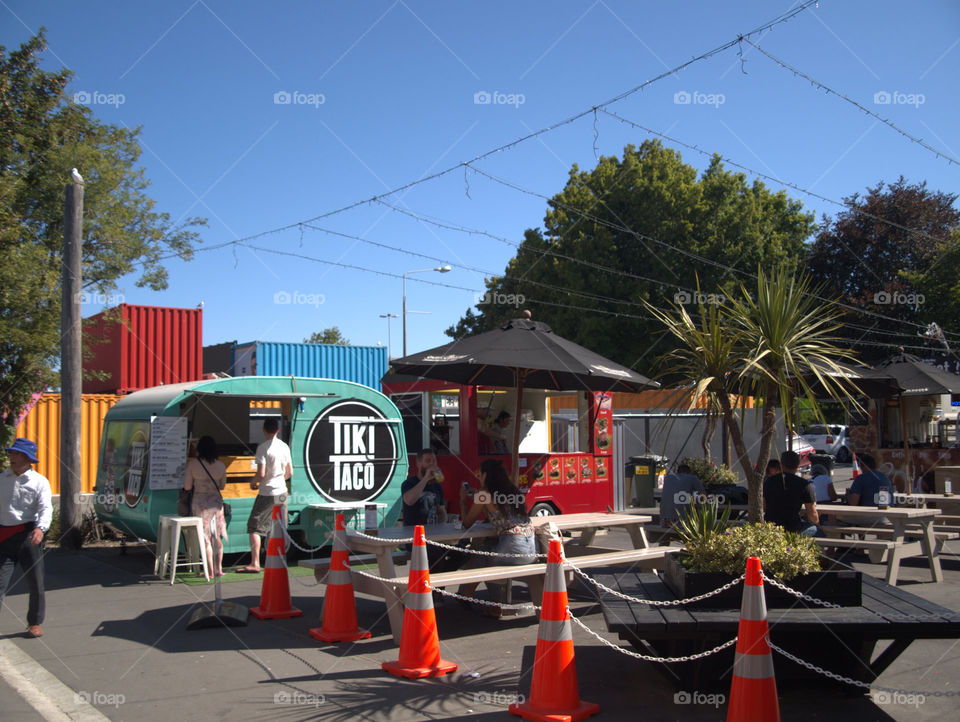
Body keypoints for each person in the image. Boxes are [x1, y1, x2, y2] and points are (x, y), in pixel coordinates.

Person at [457, 459, 537, 614]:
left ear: (485, 475)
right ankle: (474, 595)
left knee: (484, 555)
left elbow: (467, 523)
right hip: (532, 547)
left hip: (514, 545)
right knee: (488, 550)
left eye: (480, 475)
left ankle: (484, 600)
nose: (479, 478)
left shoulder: (485, 494)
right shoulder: (514, 491)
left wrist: (462, 500)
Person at [0, 438, 52, 638]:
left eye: (15, 454)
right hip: (4, 535)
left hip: (28, 536)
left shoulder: (39, 482)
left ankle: (35, 622)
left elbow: (46, 508)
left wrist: (41, 528)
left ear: (26, 458)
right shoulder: (2, 479)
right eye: (11, 453)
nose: (11, 457)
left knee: (35, 582)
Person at [240, 418, 292, 573]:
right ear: (277, 430)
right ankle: (277, 560)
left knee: (254, 526)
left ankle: (255, 563)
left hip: (267, 492)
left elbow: (261, 474)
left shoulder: (263, 448)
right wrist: (278, 481)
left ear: (264, 430)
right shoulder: (284, 447)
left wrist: (253, 482)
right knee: (278, 526)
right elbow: (290, 472)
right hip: (282, 490)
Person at [401, 449, 460, 572]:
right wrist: (425, 480)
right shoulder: (409, 483)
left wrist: (443, 527)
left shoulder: (437, 486)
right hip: (414, 538)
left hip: (434, 537)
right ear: (418, 464)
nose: (432, 464)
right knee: (437, 555)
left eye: (434, 461)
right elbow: (409, 500)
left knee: (461, 553)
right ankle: (435, 588)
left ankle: (438, 584)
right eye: (428, 461)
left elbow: (441, 511)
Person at [183, 436, 228, 577]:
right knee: (217, 536)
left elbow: (187, 486)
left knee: (205, 538)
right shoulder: (221, 466)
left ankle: (209, 571)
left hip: (200, 503)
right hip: (215, 503)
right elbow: (222, 486)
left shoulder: (193, 465)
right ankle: (219, 569)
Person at [763, 450, 820, 536]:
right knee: (818, 531)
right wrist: (818, 525)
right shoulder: (804, 484)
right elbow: (812, 515)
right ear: (797, 465)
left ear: (781, 464)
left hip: (771, 527)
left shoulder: (769, 481)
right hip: (792, 529)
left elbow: (764, 507)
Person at [846, 452, 895, 523]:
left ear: (864, 466)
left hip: (870, 517)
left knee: (836, 517)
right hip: (888, 517)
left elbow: (853, 503)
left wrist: (848, 494)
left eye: (861, 467)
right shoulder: (884, 477)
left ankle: (833, 533)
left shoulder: (861, 478)